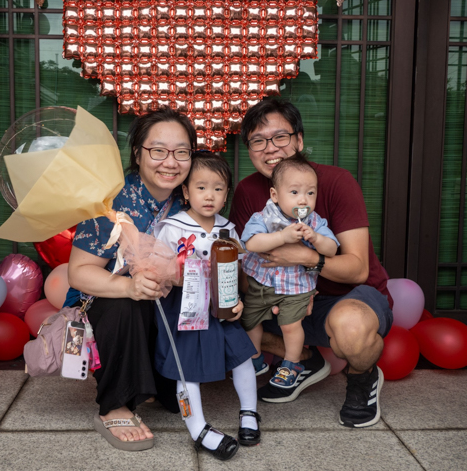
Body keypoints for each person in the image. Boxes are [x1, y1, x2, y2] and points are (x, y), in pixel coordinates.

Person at [229, 99, 393, 428]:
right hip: (281, 296)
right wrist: (260, 297)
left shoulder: (335, 182)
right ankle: (304, 359)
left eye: (280, 137)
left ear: (299, 141)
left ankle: (362, 380)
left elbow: (357, 269)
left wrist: (306, 257)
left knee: (351, 329)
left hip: (347, 296)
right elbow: (244, 256)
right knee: (224, 316)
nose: (269, 149)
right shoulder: (249, 190)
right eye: (258, 140)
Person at [63, 107, 197, 451]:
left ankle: (152, 380)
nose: (170, 162)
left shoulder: (193, 198)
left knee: (170, 400)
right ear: (137, 153)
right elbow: (78, 273)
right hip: (110, 303)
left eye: (181, 152)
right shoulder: (112, 200)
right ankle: (114, 405)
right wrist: (128, 286)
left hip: (165, 306)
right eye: (158, 151)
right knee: (125, 305)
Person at [153, 153, 259, 460]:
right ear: (185, 191)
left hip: (222, 308)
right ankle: (198, 427)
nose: (209, 195)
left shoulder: (229, 228)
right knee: (188, 370)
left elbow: (239, 272)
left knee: (242, 358)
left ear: (226, 194)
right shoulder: (172, 227)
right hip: (185, 310)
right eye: (200, 187)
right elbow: (159, 271)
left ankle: (249, 412)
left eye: (218, 188)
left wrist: (238, 300)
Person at [240, 154, 339, 401]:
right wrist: (282, 237)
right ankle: (255, 360)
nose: (303, 199)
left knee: (290, 326)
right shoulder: (263, 217)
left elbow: (332, 249)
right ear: (275, 195)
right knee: (251, 322)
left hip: (297, 287)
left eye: (310, 193)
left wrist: (316, 239)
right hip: (261, 284)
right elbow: (252, 243)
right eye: (294, 192)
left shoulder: (315, 222)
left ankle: (291, 364)